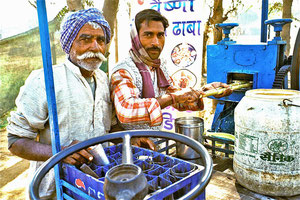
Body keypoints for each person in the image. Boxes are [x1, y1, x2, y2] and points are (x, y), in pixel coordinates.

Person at [7, 8, 111, 199]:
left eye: (100, 40)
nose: (95, 47)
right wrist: (60, 152)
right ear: (69, 43)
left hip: (95, 185)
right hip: (55, 188)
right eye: (86, 39)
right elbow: (15, 141)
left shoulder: (105, 80)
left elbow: (110, 126)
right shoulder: (46, 80)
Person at [110, 9, 232, 150]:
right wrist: (173, 97)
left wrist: (206, 91)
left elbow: (180, 99)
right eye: (148, 35)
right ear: (135, 37)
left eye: (160, 35)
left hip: (155, 145)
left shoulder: (159, 66)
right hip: (127, 148)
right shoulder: (123, 71)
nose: (156, 42)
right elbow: (127, 111)